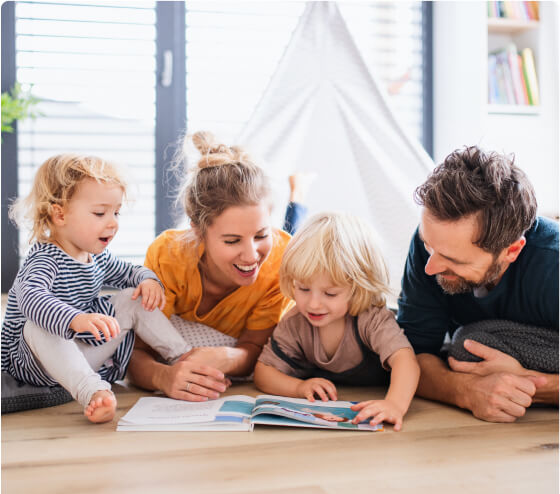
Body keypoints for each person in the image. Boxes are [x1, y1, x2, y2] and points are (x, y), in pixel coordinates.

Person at [1, 154, 194, 423]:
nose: (113, 222)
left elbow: (129, 272)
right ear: (60, 214)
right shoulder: (45, 260)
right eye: (100, 213)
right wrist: (75, 319)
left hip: (80, 352)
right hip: (34, 362)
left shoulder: (97, 256)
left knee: (131, 297)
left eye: (116, 212)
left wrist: (148, 280)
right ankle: (93, 391)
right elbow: (31, 299)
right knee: (36, 326)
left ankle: (184, 355)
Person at [126, 131, 304, 401]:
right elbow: (135, 352)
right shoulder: (169, 255)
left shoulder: (280, 262)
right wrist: (162, 376)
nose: (251, 255)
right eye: (232, 241)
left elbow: (256, 348)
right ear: (198, 231)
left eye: (261, 235)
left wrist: (227, 357)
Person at [397, 146, 559, 423]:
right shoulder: (435, 243)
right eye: (428, 246)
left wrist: (533, 385)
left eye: (452, 260)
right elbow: (408, 356)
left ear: (512, 251)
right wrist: (465, 391)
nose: (430, 266)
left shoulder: (552, 266)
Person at [254, 212, 420, 431]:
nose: (313, 304)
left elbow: (406, 361)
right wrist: (298, 387)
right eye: (303, 288)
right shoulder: (295, 321)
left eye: (330, 294)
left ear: (358, 289)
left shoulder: (371, 317)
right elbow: (263, 372)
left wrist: (394, 404)